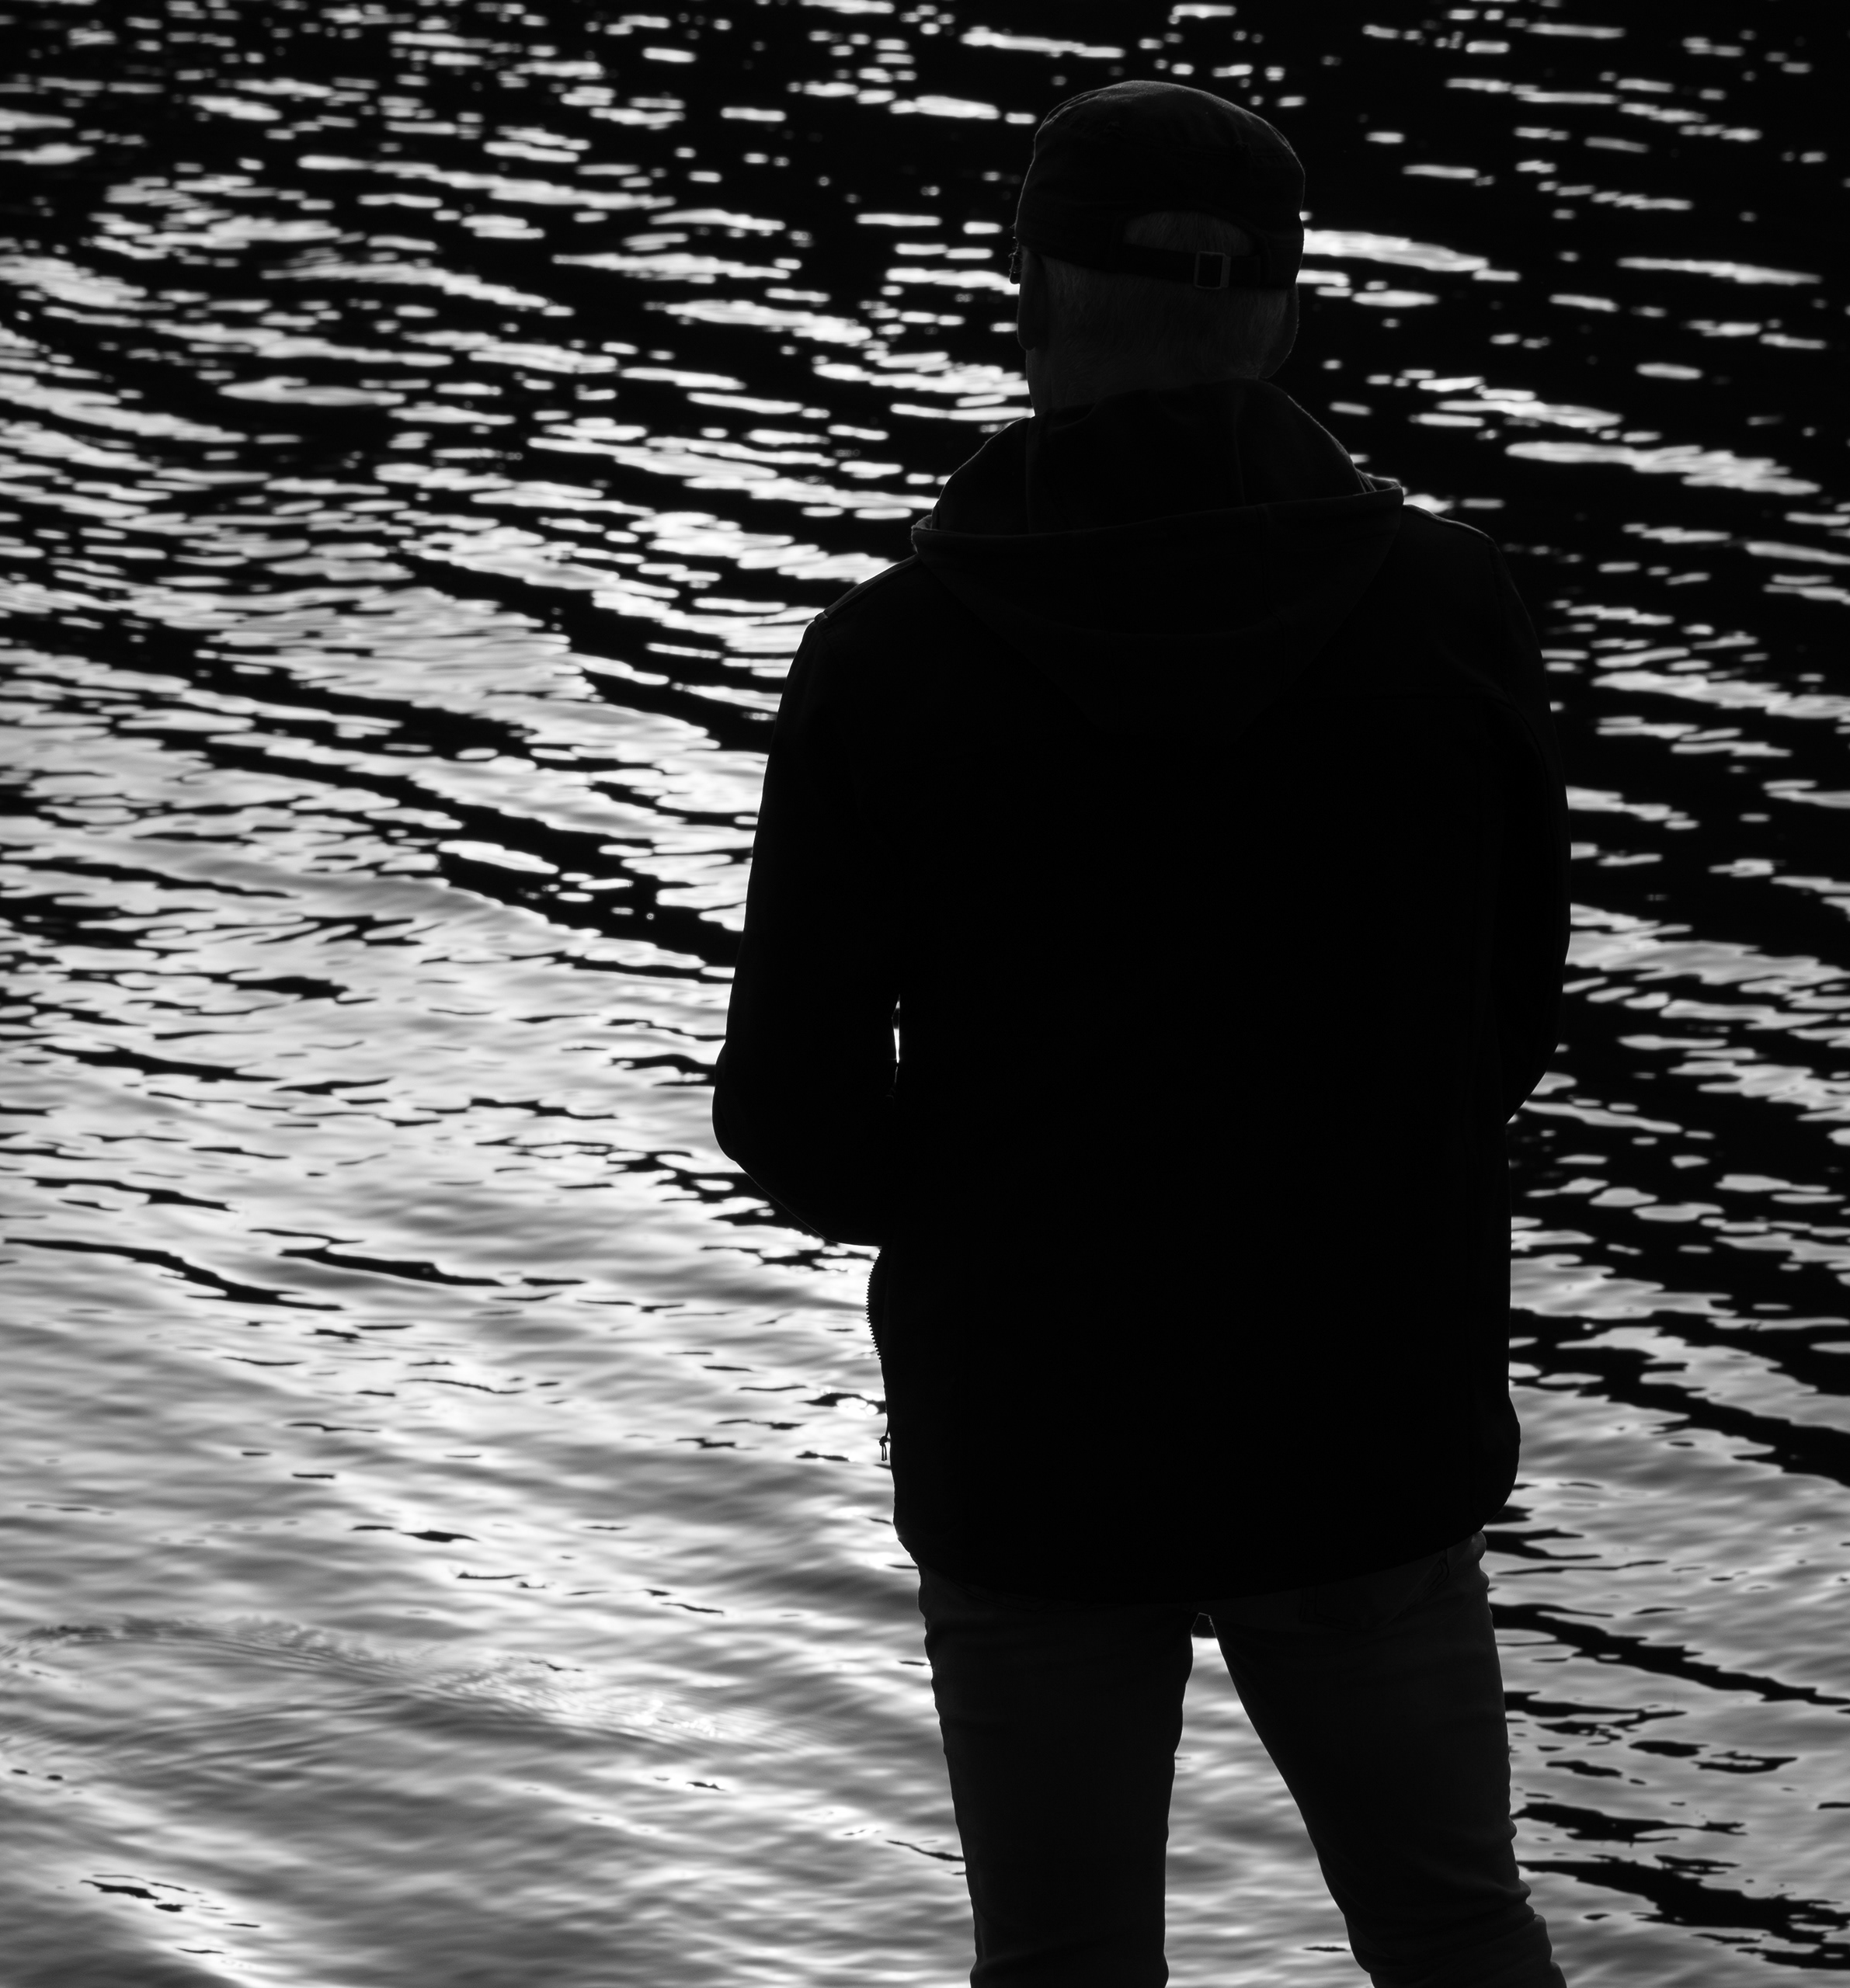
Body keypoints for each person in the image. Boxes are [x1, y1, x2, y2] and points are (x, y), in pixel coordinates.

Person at [711, 79, 1570, 1988]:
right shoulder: (1447, 609)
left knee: (1064, 1964)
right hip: (1364, 1411)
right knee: (1452, 1928)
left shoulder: (891, 659)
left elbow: (789, 1112)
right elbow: (1512, 1015)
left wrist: (1000, 1207)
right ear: (1280, 317)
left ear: (1032, 294)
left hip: (1032, 1434)